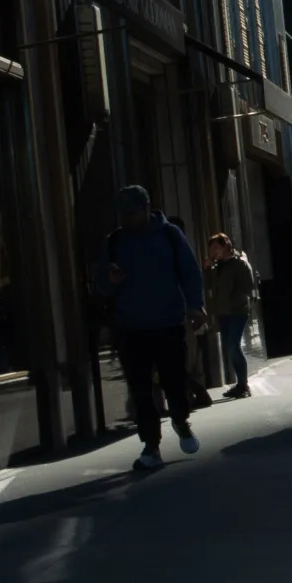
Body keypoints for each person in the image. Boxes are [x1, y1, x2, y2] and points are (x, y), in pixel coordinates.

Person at [100, 186, 206, 468]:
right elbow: (100, 284)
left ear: (146, 208)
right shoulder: (115, 241)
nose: (126, 219)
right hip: (130, 327)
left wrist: (195, 305)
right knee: (141, 389)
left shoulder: (169, 235)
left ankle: (180, 420)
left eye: (131, 213)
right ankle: (151, 446)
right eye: (122, 213)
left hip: (168, 322)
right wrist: (109, 281)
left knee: (174, 380)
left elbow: (189, 271)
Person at [205, 233, 255, 399]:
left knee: (234, 345)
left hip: (237, 311)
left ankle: (243, 385)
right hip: (222, 312)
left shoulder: (239, 263)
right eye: (211, 249)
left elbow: (248, 285)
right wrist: (207, 269)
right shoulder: (216, 268)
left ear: (225, 246)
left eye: (216, 248)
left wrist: (237, 297)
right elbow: (208, 286)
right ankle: (240, 384)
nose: (213, 252)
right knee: (230, 347)